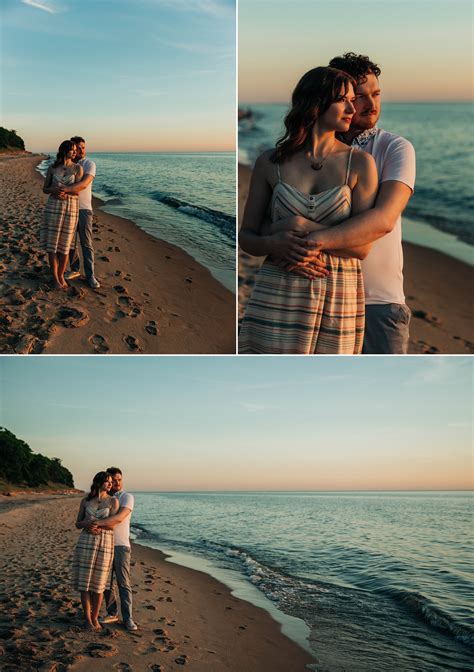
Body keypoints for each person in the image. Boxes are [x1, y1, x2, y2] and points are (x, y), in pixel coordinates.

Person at [239, 66, 378, 354]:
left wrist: (300, 226)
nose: (353, 108)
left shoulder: (361, 164)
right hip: (276, 292)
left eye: (353, 99)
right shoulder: (270, 163)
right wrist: (272, 243)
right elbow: (247, 238)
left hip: (337, 294)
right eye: (343, 99)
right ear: (315, 103)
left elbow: (362, 248)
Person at [294, 53, 416, 354]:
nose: (370, 105)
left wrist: (306, 237)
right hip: (317, 295)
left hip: (379, 302)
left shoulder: (394, 148)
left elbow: (383, 220)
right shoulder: (305, 154)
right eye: (359, 97)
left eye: (375, 94)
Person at [72, 471, 118, 631]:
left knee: (99, 585)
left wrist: (97, 524)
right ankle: (87, 619)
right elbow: (78, 523)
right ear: (98, 482)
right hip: (86, 542)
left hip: (104, 543)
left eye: (111, 481)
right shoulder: (85, 501)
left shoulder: (113, 501)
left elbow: (113, 525)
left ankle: (94, 617)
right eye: (107, 481)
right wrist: (86, 525)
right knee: (85, 584)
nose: (110, 484)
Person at [92, 467, 137, 631]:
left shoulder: (127, 497)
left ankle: (128, 618)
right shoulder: (106, 498)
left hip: (121, 545)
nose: (116, 483)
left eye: (119, 479)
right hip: (104, 543)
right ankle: (112, 612)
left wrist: (96, 524)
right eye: (112, 480)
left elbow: (119, 518)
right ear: (108, 482)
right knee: (104, 582)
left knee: (123, 583)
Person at [59, 136, 100, 289]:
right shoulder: (67, 165)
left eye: (83, 147)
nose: (81, 150)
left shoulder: (89, 164)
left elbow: (84, 184)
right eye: (78, 148)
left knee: (86, 244)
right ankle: (75, 269)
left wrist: (64, 190)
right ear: (72, 150)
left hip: (83, 209)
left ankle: (91, 276)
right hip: (68, 207)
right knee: (69, 243)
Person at [41, 140, 83, 289]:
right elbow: (45, 189)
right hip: (53, 207)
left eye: (75, 150)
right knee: (52, 245)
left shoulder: (78, 168)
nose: (74, 152)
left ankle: (60, 275)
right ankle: (54, 277)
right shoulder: (53, 168)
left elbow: (77, 190)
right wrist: (54, 190)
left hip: (70, 208)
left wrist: (63, 190)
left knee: (65, 246)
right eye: (71, 149)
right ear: (64, 150)